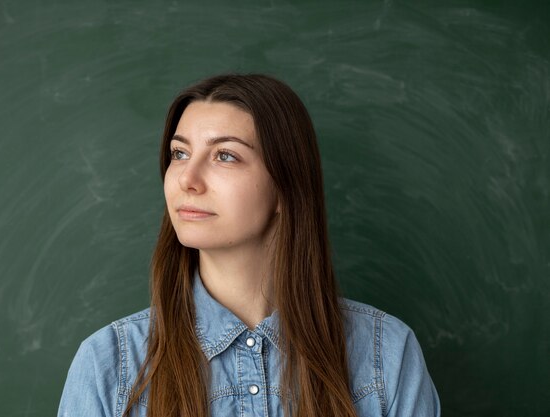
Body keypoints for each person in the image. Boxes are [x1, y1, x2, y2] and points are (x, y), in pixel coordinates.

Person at [57, 74, 440, 417]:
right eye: (179, 153)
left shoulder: (385, 355)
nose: (187, 178)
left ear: (284, 188)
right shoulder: (110, 364)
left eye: (225, 155)